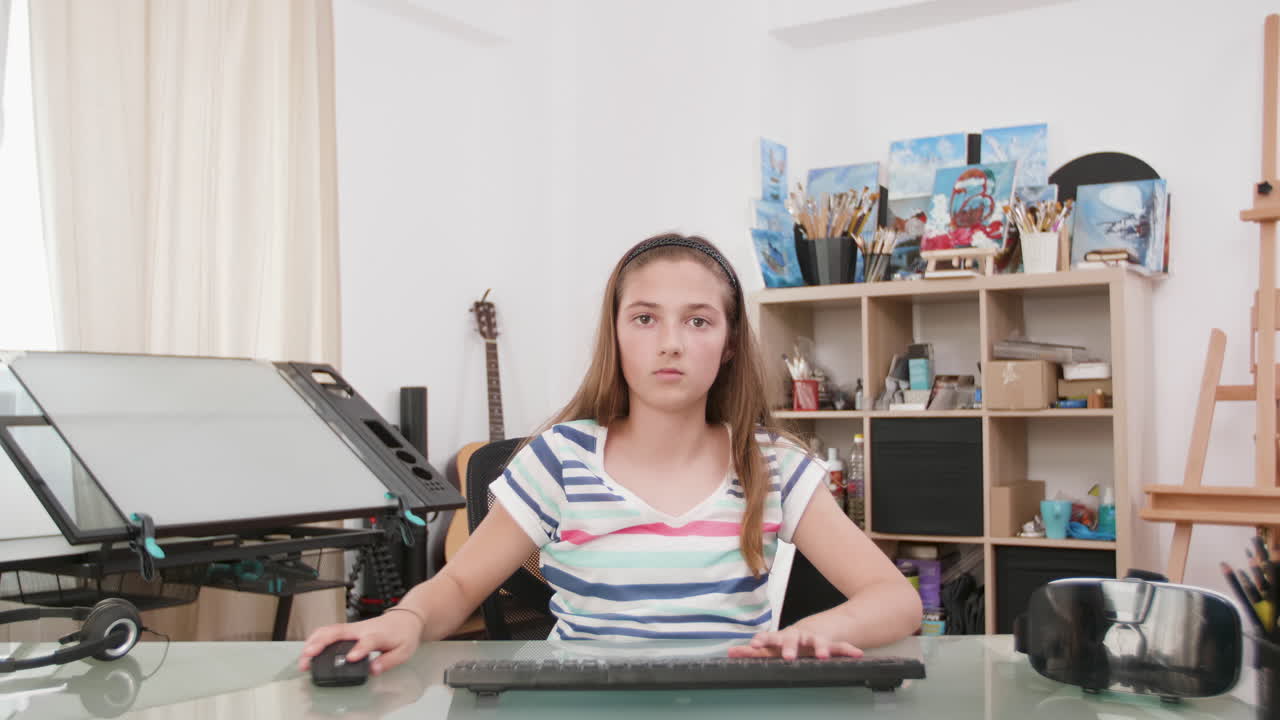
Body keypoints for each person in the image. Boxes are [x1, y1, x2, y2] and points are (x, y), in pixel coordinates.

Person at [299, 234, 922, 676]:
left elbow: (895, 599)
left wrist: (819, 632)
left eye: (699, 322)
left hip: (731, 700)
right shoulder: (560, 460)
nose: (672, 343)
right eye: (646, 318)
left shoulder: (772, 465)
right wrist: (406, 620)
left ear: (730, 344)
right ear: (616, 336)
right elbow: (460, 583)